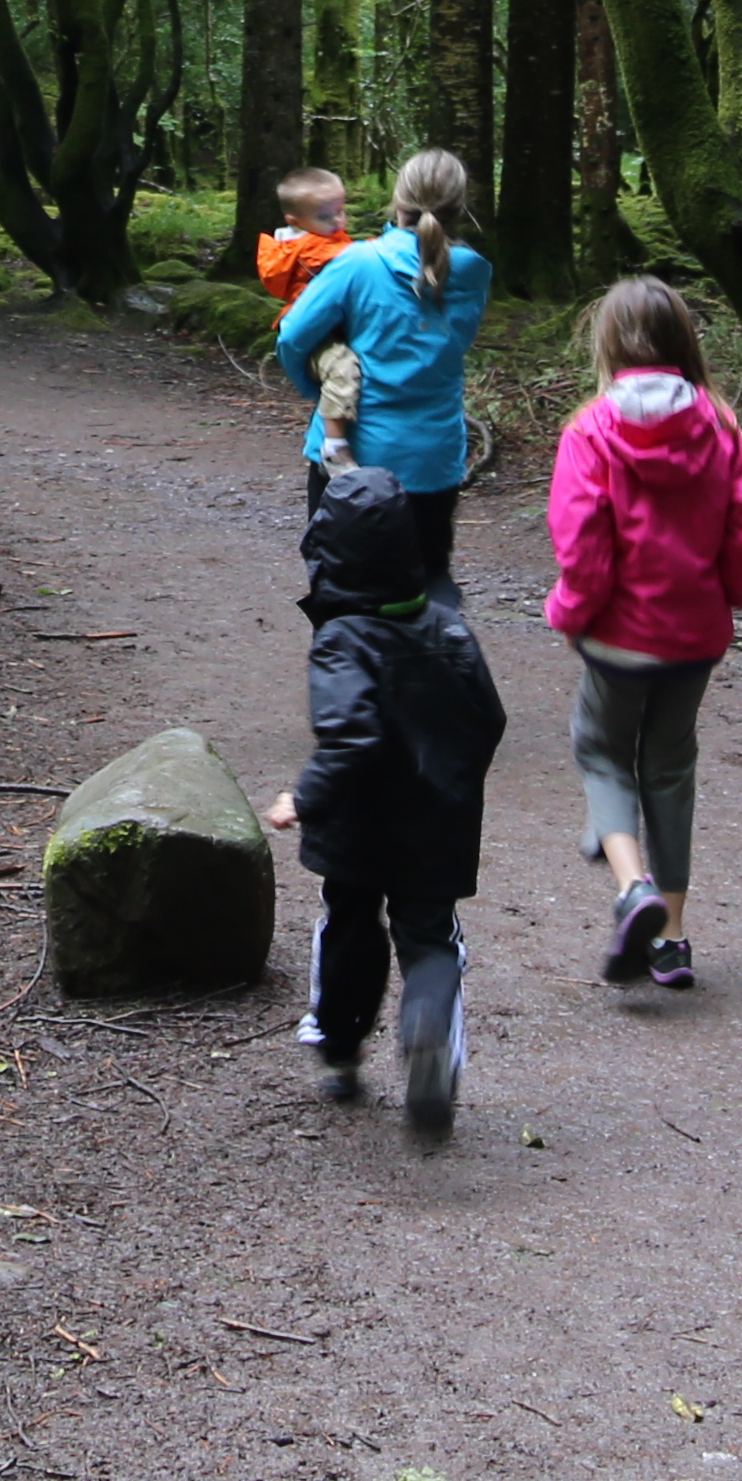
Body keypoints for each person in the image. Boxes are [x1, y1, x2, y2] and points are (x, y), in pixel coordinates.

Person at [260, 457, 508, 1139]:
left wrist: (303, 797)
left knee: (348, 921)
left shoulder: (342, 640)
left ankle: (340, 1050)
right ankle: (427, 1031)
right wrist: (456, 782)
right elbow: (488, 718)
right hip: (437, 820)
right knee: (429, 938)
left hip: (358, 824)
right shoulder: (449, 626)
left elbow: (351, 736)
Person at [541, 274, 742, 996]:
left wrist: (573, 612)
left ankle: (631, 884)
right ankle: (670, 940)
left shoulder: (590, 430)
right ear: (683, 342)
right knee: (669, 768)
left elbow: (581, 544)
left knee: (601, 751)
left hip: (617, 637)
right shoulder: (721, 426)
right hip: (694, 634)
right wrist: (727, 593)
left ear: (607, 343)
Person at [271, 148, 486, 580]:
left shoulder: (358, 263)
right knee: (425, 584)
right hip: (434, 457)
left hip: (354, 452)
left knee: (340, 587)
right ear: (460, 206)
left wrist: (320, 389)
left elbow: (293, 335)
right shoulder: (475, 271)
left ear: (398, 199)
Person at [253, 167, 356, 455]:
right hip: (319, 332)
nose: (338, 221)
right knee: (343, 368)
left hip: (334, 323)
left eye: (341, 211)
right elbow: (356, 259)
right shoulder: (310, 247)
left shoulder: (323, 236)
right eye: (326, 216)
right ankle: (335, 444)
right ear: (294, 222)